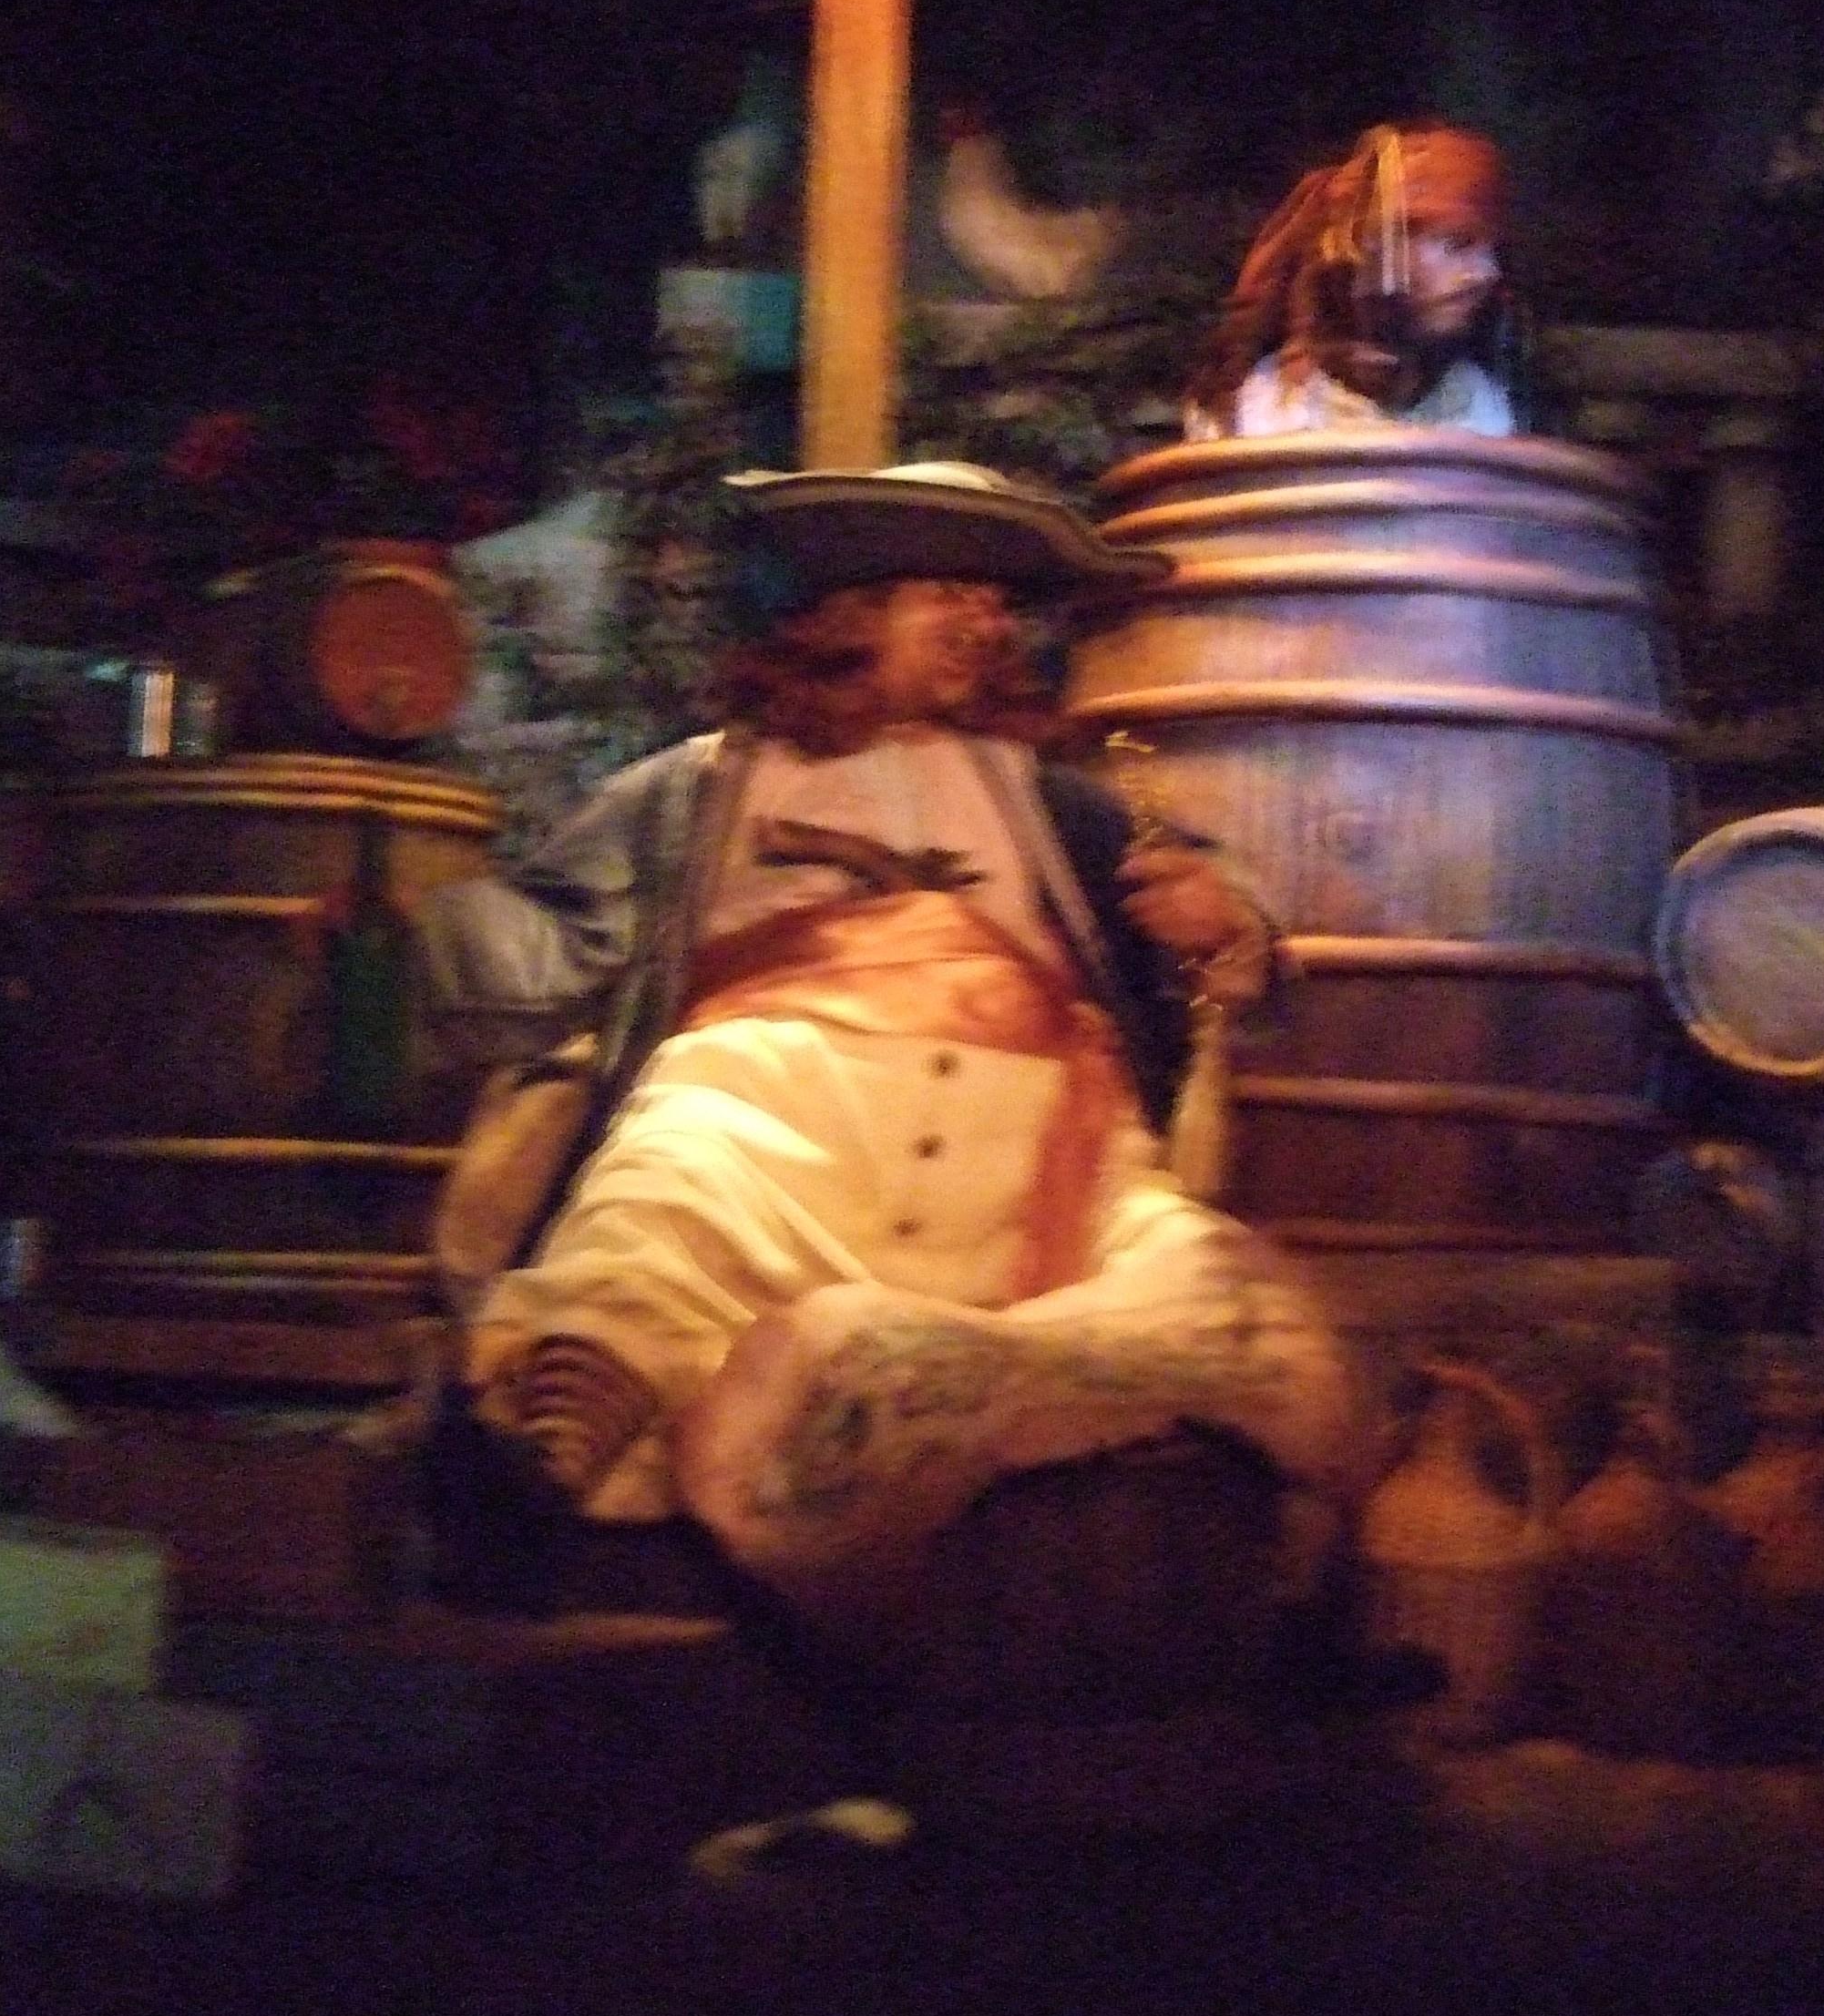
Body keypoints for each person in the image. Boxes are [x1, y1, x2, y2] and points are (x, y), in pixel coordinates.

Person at [416, 462, 1373, 1645]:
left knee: (1194, 1282)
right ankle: (540, 1483)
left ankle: (1244, 1591)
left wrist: (1227, 922)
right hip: (770, 1098)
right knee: (659, 1219)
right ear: (848, 612)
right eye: (948, 595)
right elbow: (545, 943)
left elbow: (1213, 900)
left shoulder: (1054, 800)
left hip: (1036, 1140)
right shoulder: (697, 787)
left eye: (995, 603)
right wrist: (423, 911)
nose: (986, 625)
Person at [1184, 121, 1521, 439]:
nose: (1487, 273)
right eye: (1458, 243)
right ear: (1372, 247)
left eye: (1491, 250)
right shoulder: (1263, 406)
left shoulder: (1476, 403)